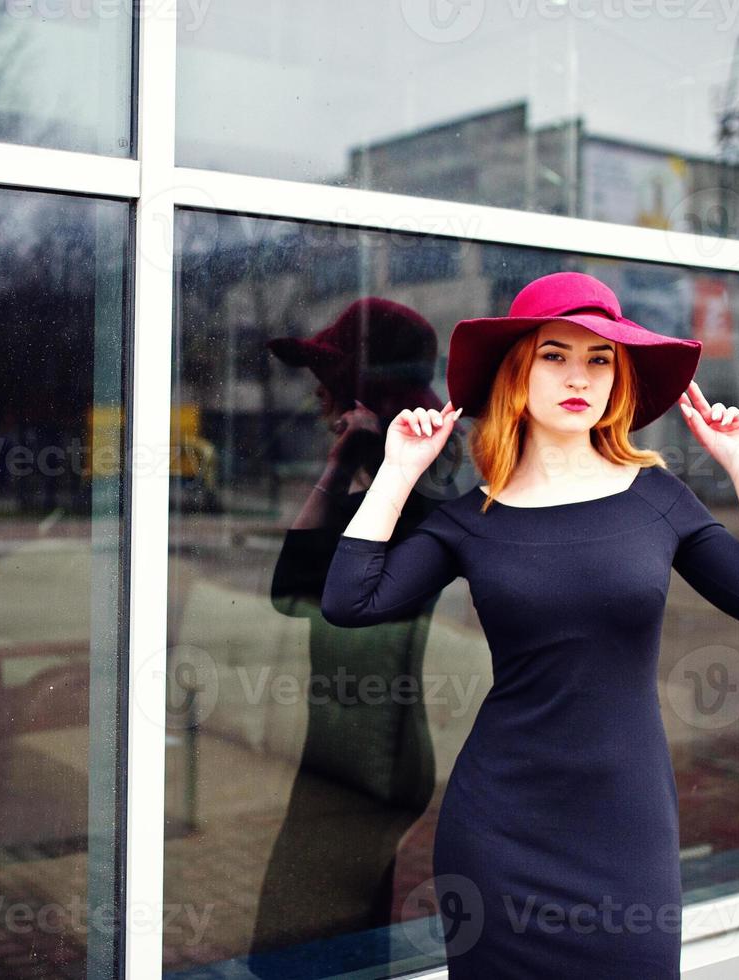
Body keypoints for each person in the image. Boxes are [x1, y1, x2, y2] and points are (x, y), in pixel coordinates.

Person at [319, 271, 739, 978]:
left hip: (626, 832)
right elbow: (350, 600)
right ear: (518, 371)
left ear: (618, 379)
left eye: (599, 358)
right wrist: (399, 473)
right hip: (499, 833)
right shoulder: (470, 518)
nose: (579, 375)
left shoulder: (657, 499)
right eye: (554, 355)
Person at [251, 297, 464, 970]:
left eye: (335, 393)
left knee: (293, 946)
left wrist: (372, 451)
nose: (323, 406)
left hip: (374, 759)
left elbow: (336, 593)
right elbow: (289, 590)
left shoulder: (417, 515)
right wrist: (345, 457)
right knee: (333, 945)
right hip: (339, 751)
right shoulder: (367, 505)